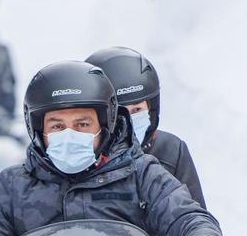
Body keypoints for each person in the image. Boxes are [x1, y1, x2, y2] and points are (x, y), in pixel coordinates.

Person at [0, 61, 224, 236]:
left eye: (82, 124)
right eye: (57, 126)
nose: (69, 134)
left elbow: (187, 216)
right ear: (38, 131)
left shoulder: (141, 173)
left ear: (105, 125)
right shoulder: (13, 187)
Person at [86, 47, 206, 207]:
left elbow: (194, 214)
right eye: (120, 112)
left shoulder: (171, 150)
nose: (128, 120)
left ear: (151, 110)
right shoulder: (78, 155)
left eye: (137, 110)